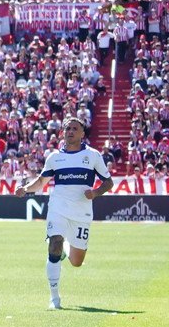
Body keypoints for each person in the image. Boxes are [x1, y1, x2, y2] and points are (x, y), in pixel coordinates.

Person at [15, 117, 113, 310]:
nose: (70, 131)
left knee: (76, 262)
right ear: (62, 132)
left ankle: (66, 249)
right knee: (54, 243)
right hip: (58, 208)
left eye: (75, 129)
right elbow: (42, 182)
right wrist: (26, 189)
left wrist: (95, 192)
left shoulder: (93, 156)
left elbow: (108, 182)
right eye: (67, 128)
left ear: (82, 133)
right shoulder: (54, 157)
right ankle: (54, 298)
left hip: (81, 213)